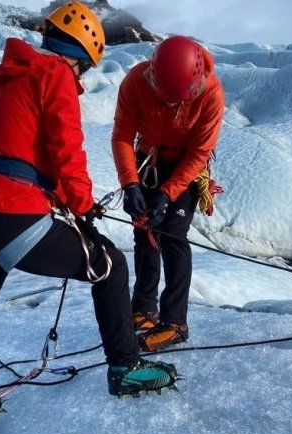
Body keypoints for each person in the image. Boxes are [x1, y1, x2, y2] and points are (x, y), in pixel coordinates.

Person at [0, 1, 177, 434]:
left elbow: (14, 152)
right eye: (84, 68)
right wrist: (83, 208)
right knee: (110, 265)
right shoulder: (56, 76)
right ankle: (125, 368)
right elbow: (67, 151)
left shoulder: (6, 80)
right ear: (80, 57)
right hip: (12, 212)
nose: (82, 77)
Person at [112, 35, 225, 353]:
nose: (172, 106)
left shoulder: (211, 93)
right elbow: (122, 134)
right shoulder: (137, 80)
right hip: (147, 161)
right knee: (143, 231)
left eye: (178, 100)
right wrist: (130, 184)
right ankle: (144, 307)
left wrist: (168, 194)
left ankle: (176, 322)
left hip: (185, 167)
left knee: (173, 237)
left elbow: (199, 152)